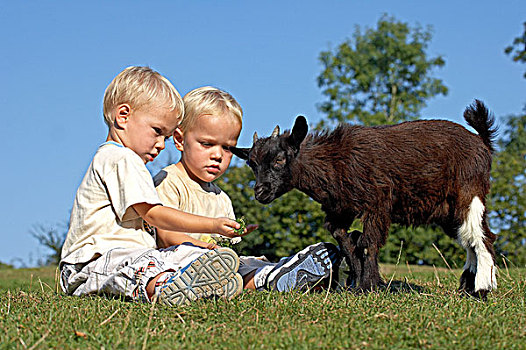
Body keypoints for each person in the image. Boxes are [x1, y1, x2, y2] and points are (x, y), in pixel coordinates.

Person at [60, 66, 248, 307]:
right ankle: (162, 286)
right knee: (144, 266)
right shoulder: (120, 158)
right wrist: (213, 225)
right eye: (157, 131)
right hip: (91, 262)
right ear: (123, 116)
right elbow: (154, 215)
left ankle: (206, 282)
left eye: (166, 137)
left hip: (125, 256)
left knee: (175, 256)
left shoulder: (124, 160)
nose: (161, 145)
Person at [153, 86, 341, 292]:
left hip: (214, 262)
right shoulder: (169, 180)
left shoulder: (219, 196)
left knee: (250, 262)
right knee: (228, 267)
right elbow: (165, 235)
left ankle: (290, 273)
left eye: (227, 148)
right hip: (174, 262)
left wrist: (233, 233)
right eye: (207, 144)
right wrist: (208, 249)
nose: (218, 155)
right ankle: (271, 279)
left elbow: (221, 243)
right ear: (180, 140)